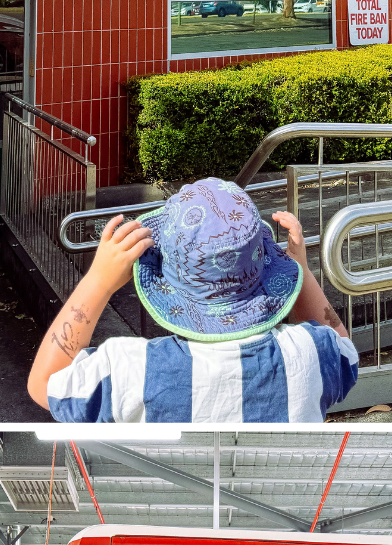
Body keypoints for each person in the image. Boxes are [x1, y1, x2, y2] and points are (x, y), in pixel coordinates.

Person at [29, 178, 359, 422]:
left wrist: (98, 281)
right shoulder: (311, 354)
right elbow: (345, 349)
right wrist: (299, 269)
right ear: (267, 270)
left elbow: (44, 384)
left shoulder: (129, 370)